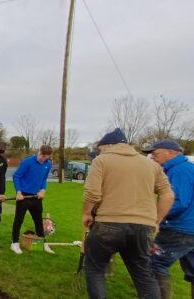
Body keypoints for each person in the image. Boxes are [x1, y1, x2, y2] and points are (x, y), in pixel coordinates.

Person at [82, 128, 174, 299]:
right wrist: (156, 221)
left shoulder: (102, 161)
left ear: (108, 146)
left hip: (108, 224)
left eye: (100, 149)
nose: (99, 153)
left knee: (95, 269)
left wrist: (87, 213)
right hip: (143, 227)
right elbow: (168, 194)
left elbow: (92, 193)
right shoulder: (152, 165)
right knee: (144, 275)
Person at [144, 140, 194, 299]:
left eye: (156, 153)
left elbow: (178, 202)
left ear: (171, 152)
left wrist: (154, 217)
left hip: (179, 229)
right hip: (190, 228)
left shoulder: (179, 171)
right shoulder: (187, 168)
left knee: (155, 262)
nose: (153, 157)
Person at [10, 144, 53, 255]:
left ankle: (42, 243)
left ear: (49, 156)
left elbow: (44, 179)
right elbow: (16, 176)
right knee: (19, 220)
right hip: (23, 196)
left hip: (36, 197)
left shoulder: (48, 164)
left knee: (38, 221)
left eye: (45, 156)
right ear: (38, 151)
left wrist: (43, 189)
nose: (42, 158)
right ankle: (14, 243)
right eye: (41, 155)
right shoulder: (27, 162)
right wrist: (18, 191)